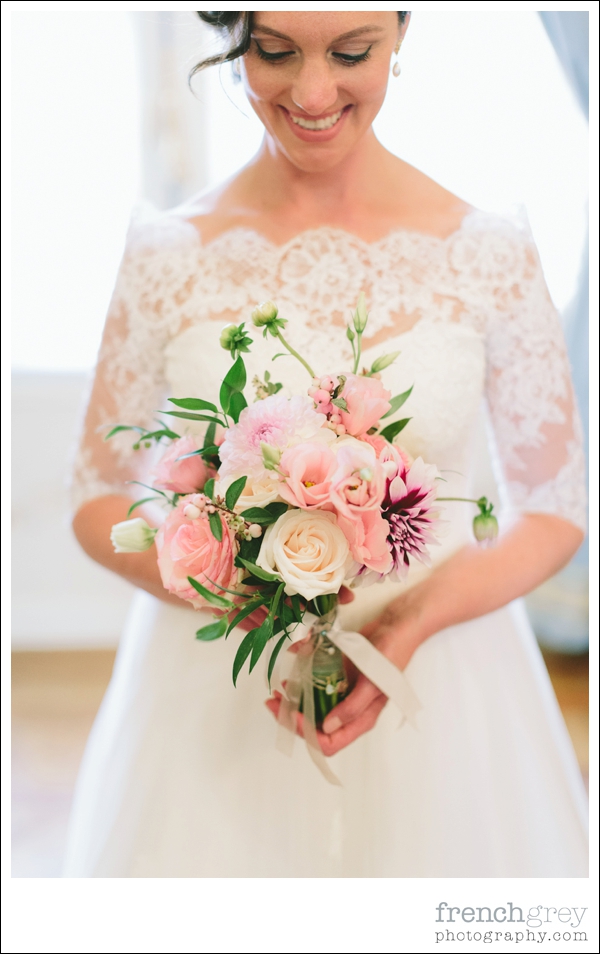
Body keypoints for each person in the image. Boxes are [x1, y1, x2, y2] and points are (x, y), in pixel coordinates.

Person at [64, 12, 588, 877]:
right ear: (232, 34)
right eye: (273, 51)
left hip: (447, 687)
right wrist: (243, 599)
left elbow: (557, 511)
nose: (312, 94)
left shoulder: (488, 250)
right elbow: (95, 495)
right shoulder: (168, 253)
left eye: (352, 53)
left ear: (401, 32)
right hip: (217, 699)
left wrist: (404, 630)